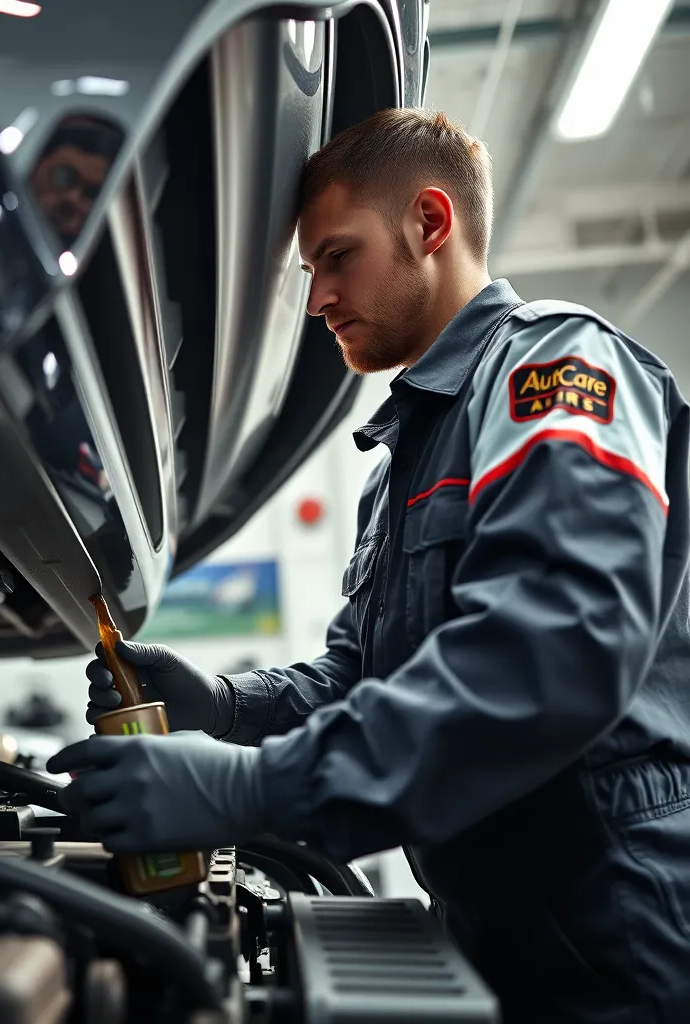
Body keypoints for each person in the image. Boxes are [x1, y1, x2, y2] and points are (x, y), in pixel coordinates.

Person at [46, 109, 690, 1023]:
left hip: (620, 932)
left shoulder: (551, 369)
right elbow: (361, 675)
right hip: (495, 926)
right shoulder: (405, 459)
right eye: (310, 271)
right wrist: (228, 708)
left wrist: (250, 789)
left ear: (430, 222)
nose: (317, 299)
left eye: (337, 256)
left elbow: (555, 655)